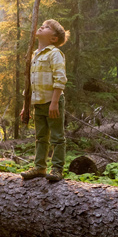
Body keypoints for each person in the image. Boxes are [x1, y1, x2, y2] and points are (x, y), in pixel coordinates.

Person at [20, 19, 69, 182]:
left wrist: (54, 102)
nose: (42, 26)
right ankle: (40, 167)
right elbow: (31, 82)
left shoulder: (54, 53)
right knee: (40, 137)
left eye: (47, 27)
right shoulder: (34, 55)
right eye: (42, 24)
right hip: (38, 103)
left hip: (52, 102)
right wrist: (25, 106)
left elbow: (60, 78)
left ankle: (57, 169)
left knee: (57, 137)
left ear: (53, 39)